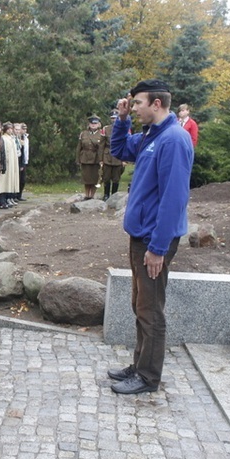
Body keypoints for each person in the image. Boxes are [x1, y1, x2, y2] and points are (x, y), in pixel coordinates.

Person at [107, 79, 194, 394]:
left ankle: (147, 377)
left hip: (155, 240)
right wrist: (122, 120)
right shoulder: (150, 136)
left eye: (138, 103)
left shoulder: (173, 140)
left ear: (157, 104)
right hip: (141, 236)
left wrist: (158, 248)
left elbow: (174, 198)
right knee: (140, 304)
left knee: (151, 308)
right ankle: (140, 365)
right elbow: (118, 149)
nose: (135, 107)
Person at [100, 111, 125, 201]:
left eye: (115, 118)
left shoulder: (123, 128)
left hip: (119, 156)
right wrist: (101, 159)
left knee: (116, 178)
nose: (114, 120)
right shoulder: (105, 129)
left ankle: (114, 196)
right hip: (107, 155)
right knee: (106, 177)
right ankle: (106, 195)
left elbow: (126, 143)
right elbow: (101, 145)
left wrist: (124, 159)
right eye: (112, 118)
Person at [76, 116, 102, 200]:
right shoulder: (83, 133)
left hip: (96, 158)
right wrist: (78, 159)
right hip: (85, 157)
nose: (93, 125)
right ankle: (87, 195)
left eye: (95, 123)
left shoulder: (101, 134)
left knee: (95, 178)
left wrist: (102, 160)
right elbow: (79, 147)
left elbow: (102, 148)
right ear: (89, 124)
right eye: (92, 123)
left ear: (98, 124)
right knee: (86, 178)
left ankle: (92, 195)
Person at [0, 122, 20, 208]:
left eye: (11, 129)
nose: (10, 130)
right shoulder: (3, 138)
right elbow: (2, 152)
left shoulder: (11, 138)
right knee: (4, 182)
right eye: (8, 129)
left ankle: (8, 198)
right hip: (6, 163)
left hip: (12, 164)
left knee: (10, 181)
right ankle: (1, 200)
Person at [17, 123, 30, 201]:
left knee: (23, 180)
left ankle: (20, 195)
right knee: (19, 179)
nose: (24, 130)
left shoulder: (26, 138)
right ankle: (16, 195)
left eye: (25, 129)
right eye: (23, 129)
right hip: (19, 161)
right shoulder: (18, 138)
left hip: (24, 160)